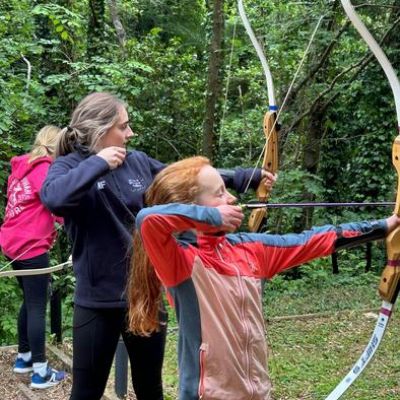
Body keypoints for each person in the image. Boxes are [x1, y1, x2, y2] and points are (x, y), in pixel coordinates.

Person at [40, 92, 274, 400]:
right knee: (86, 393)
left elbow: (187, 180)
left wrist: (245, 177)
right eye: (123, 126)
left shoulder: (136, 162)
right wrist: (99, 162)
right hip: (97, 301)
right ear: (100, 128)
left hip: (145, 295)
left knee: (150, 389)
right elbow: (54, 198)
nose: (130, 133)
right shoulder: (68, 166)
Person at [128, 156, 400, 400]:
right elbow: (148, 220)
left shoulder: (250, 249)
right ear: (191, 208)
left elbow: (313, 240)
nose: (231, 199)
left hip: (258, 393)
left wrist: (384, 226)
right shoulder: (180, 261)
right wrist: (211, 217)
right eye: (219, 193)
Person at [0, 125, 66, 389]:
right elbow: (57, 204)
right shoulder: (45, 169)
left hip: (12, 244)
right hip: (31, 247)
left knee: (31, 300)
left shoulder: (21, 169)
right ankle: (40, 372)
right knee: (38, 304)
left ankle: (24, 357)